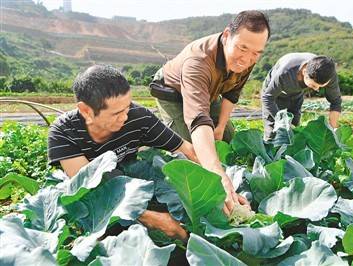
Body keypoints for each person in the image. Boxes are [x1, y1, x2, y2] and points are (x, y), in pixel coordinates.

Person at [48, 65, 198, 241]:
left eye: (127, 107)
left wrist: (223, 186)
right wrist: (153, 219)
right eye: (117, 113)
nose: (125, 117)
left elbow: (186, 150)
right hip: (98, 207)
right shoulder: (63, 132)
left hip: (134, 188)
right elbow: (93, 193)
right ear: (86, 111)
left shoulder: (138, 116)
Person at [150, 10, 270, 214]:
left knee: (228, 137)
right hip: (171, 92)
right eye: (242, 48)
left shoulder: (247, 58)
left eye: (256, 53)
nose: (248, 58)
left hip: (209, 91)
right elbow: (198, 118)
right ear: (226, 36)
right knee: (192, 152)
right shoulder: (198, 61)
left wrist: (221, 126)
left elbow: (232, 93)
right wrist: (217, 175)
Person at [261, 52, 342, 140]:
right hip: (274, 95)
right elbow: (267, 98)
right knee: (274, 130)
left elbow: (336, 101)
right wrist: (282, 122)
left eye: (320, 86)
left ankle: (289, 152)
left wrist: (333, 129)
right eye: (313, 86)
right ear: (304, 72)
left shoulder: (329, 75)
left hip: (296, 95)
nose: (316, 89)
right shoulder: (284, 73)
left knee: (295, 130)